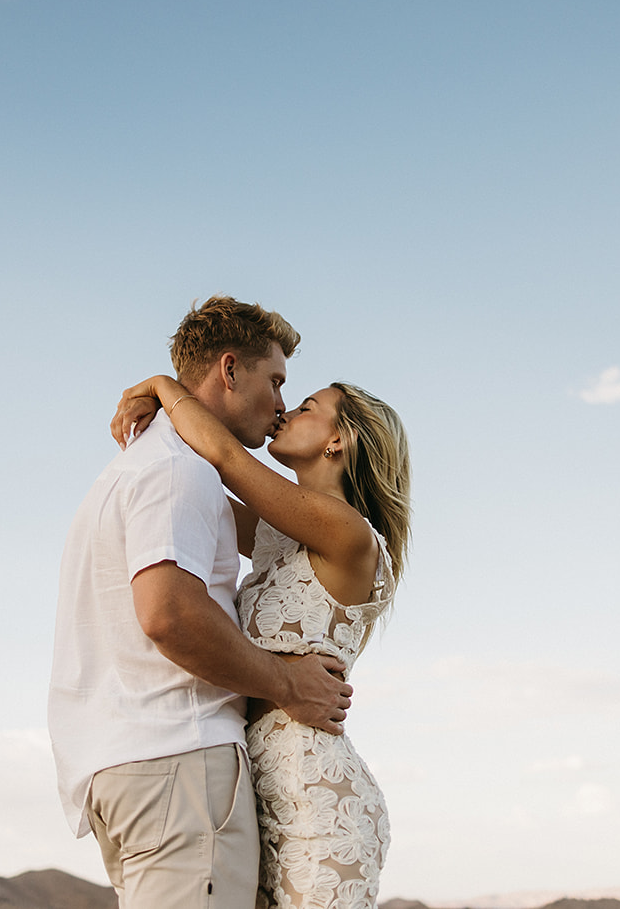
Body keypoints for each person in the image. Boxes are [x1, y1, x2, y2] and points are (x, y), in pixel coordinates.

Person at [48, 296, 354, 909]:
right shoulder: (178, 471)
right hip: (179, 760)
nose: (281, 404)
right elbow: (169, 613)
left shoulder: (155, 466)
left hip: (143, 764)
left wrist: (165, 388)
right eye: (275, 381)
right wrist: (287, 684)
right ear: (230, 369)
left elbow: (235, 471)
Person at [110, 365, 411, 909]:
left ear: (339, 439)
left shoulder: (348, 532)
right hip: (258, 793)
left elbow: (225, 459)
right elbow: (187, 483)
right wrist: (156, 430)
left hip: (318, 804)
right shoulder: (280, 534)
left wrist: (162, 386)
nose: (285, 411)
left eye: (307, 408)